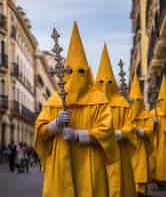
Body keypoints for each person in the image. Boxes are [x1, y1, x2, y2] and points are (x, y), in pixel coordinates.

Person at [34, 22, 118, 197]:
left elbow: (107, 131)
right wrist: (55, 125)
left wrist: (79, 135)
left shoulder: (99, 100)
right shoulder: (55, 100)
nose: (76, 77)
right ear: (65, 72)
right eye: (71, 72)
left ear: (87, 73)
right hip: (61, 164)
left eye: (81, 72)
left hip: (91, 162)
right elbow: (40, 131)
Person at [95, 44, 137, 197]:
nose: (105, 87)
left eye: (109, 83)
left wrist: (122, 133)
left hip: (120, 152)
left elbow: (131, 126)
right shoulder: (92, 103)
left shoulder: (123, 104)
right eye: (100, 83)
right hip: (98, 153)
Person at [129, 76, 153, 197]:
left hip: (141, 148)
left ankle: (142, 191)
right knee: (131, 171)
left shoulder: (146, 115)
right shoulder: (127, 114)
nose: (136, 104)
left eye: (138, 100)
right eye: (133, 101)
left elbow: (150, 130)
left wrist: (142, 131)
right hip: (130, 148)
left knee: (141, 170)